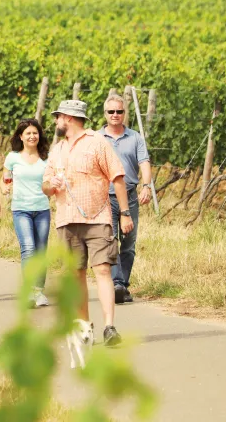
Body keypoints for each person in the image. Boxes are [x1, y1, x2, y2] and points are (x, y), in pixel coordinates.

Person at [42, 99, 133, 347]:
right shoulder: (57, 149)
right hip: (66, 219)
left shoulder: (97, 143)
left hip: (97, 218)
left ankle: (109, 327)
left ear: (69, 118)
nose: (56, 121)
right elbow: (45, 185)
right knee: (76, 274)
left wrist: (125, 213)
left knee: (102, 270)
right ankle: (85, 327)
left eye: (58, 117)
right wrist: (51, 185)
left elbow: (117, 177)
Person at [101, 94, 153, 305]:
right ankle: (117, 285)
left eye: (119, 111)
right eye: (111, 111)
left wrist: (147, 186)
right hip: (104, 197)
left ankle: (123, 283)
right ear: (105, 114)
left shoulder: (135, 138)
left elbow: (144, 162)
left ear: (124, 113)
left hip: (130, 195)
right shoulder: (97, 138)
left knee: (129, 244)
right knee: (111, 240)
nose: (115, 115)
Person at [1, 118, 52, 309]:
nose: (32, 136)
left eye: (35, 133)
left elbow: (53, 180)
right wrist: (4, 187)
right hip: (21, 209)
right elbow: (5, 178)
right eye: (28, 133)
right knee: (29, 248)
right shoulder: (13, 157)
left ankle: (39, 291)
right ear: (21, 137)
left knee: (40, 251)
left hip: (42, 209)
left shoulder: (47, 158)